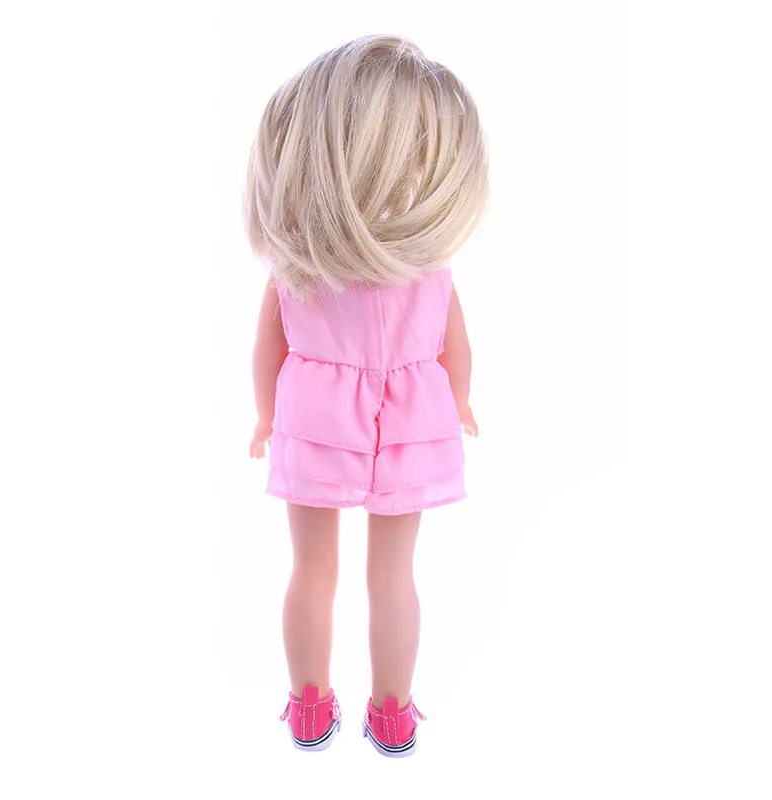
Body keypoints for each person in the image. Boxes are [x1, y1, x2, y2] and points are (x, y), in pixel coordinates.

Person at [243, 33, 488, 757]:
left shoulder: (298, 261)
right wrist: (460, 400)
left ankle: (309, 705)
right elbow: (454, 346)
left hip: (316, 417)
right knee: (392, 575)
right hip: (410, 421)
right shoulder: (427, 266)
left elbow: (267, 349)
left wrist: (264, 415)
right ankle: (391, 712)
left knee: (312, 568)